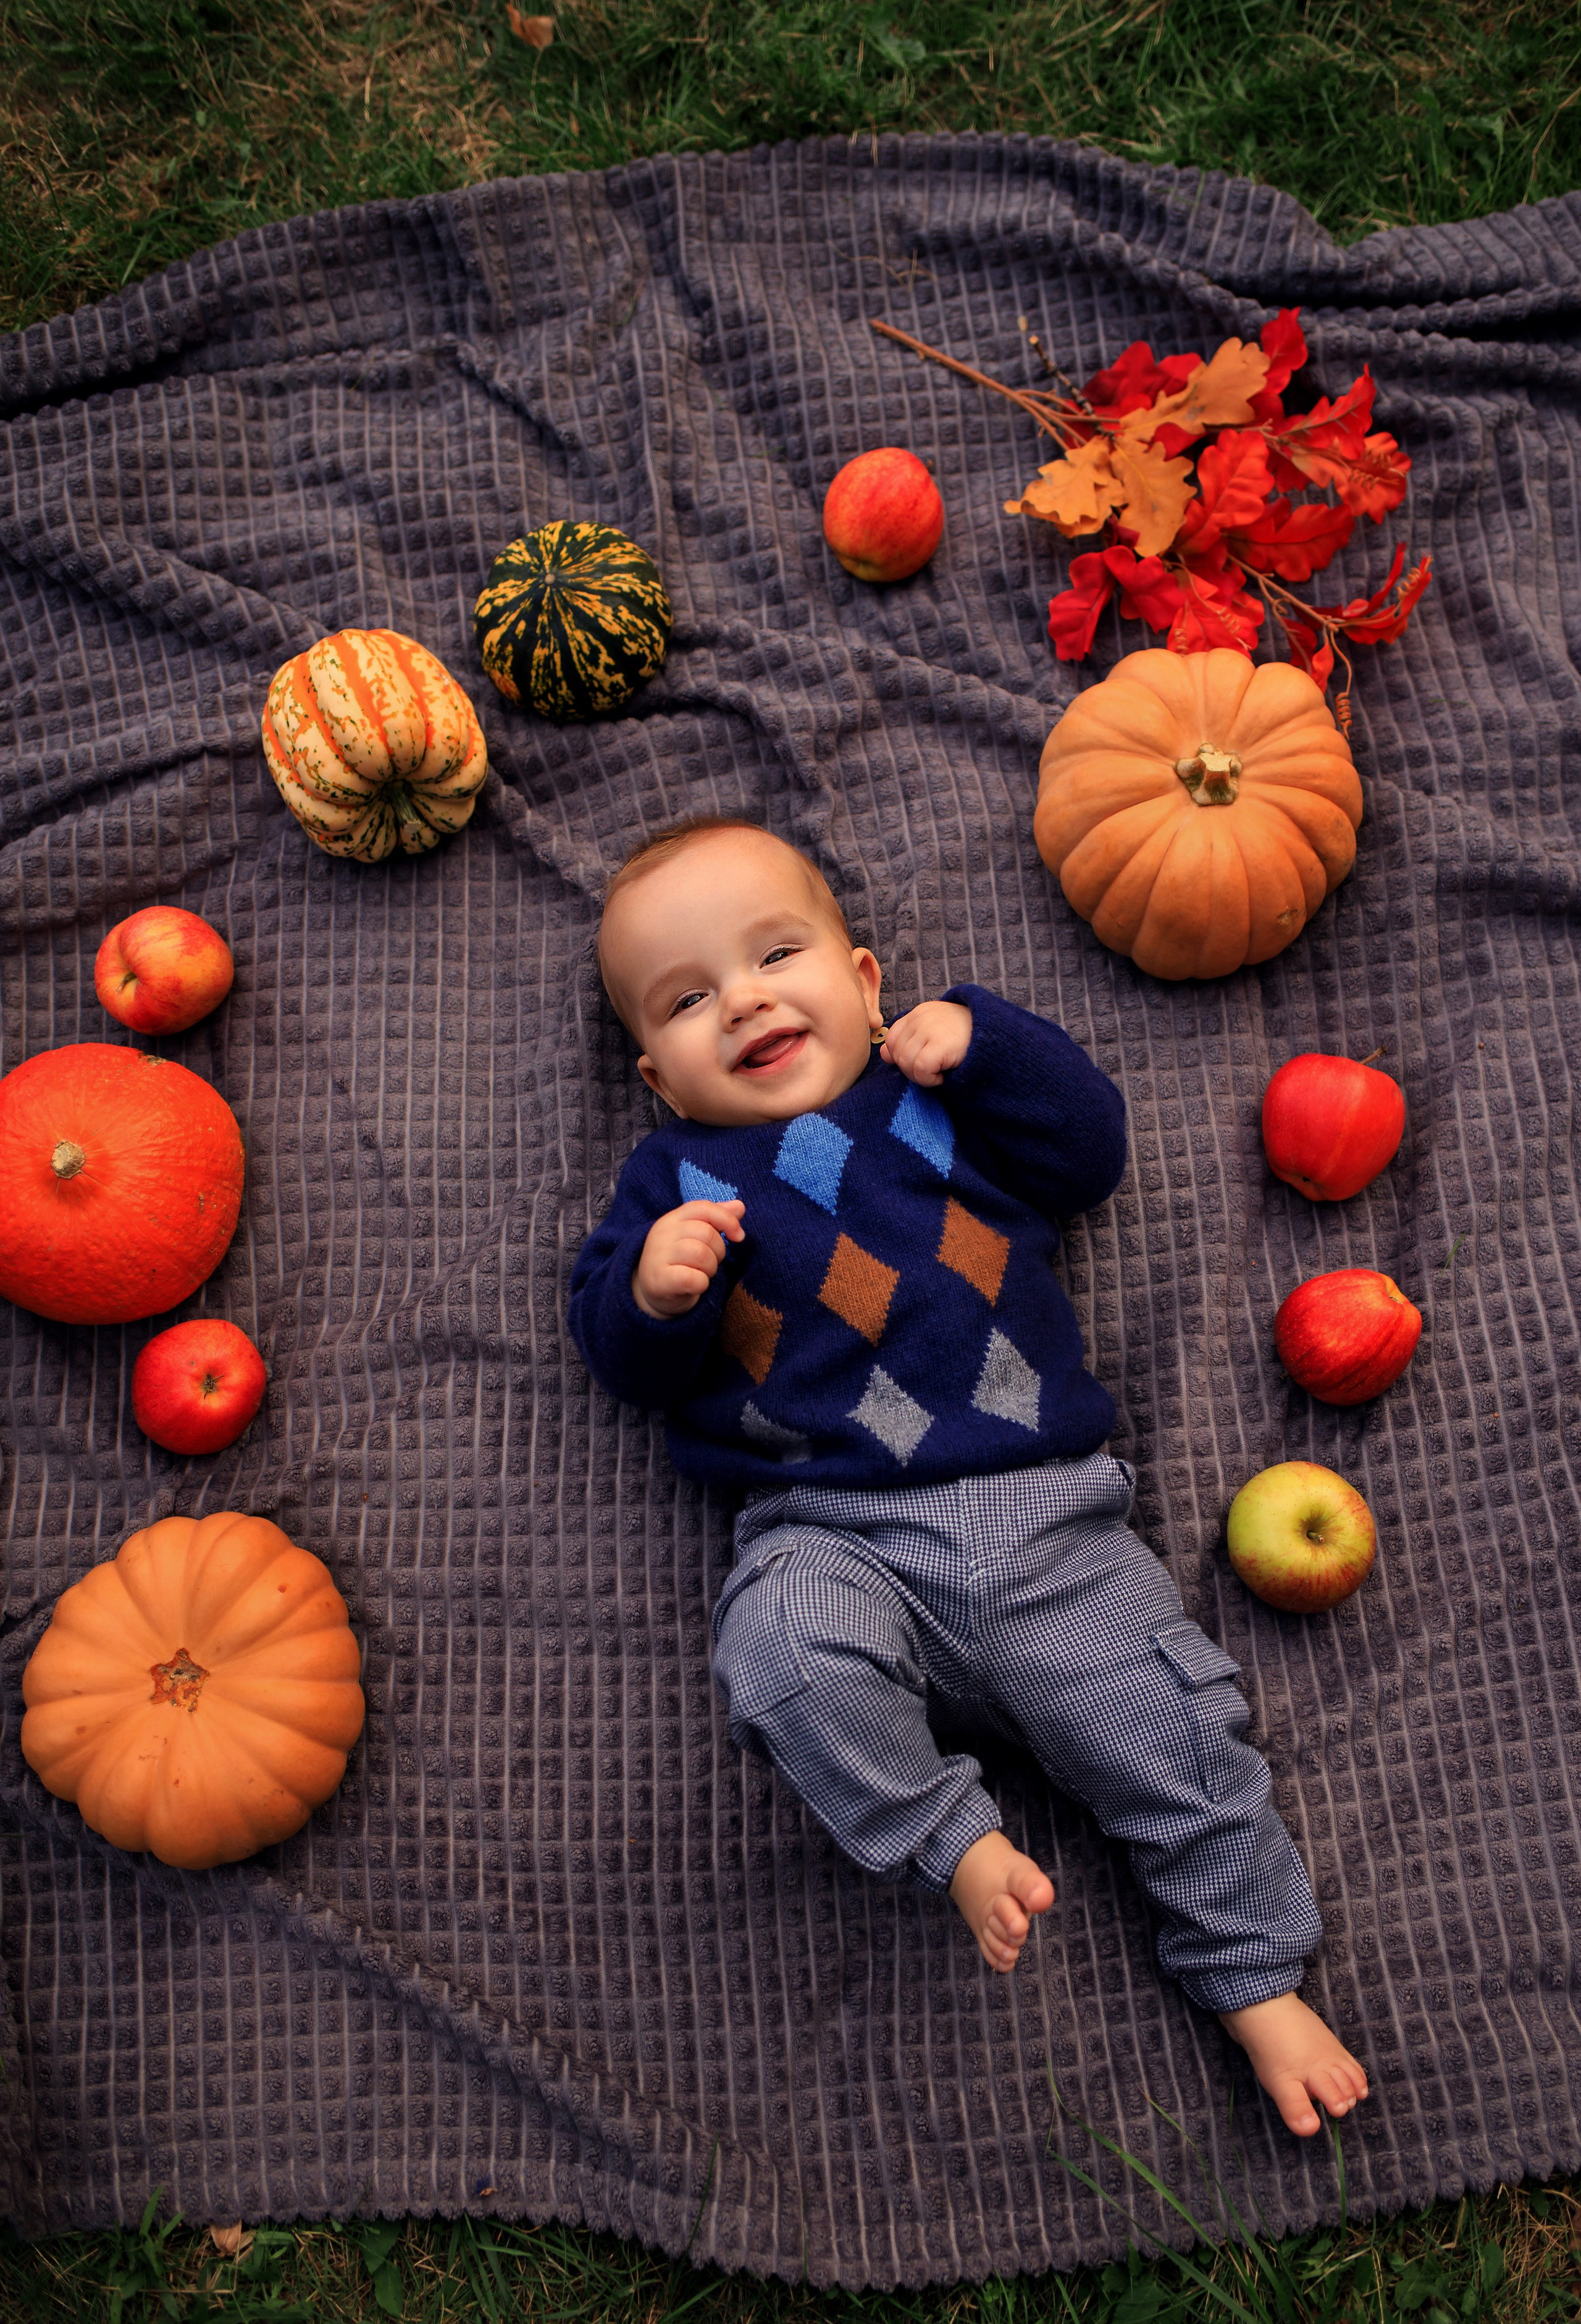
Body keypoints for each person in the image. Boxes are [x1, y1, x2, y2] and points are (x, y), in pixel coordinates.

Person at [569, 816, 1368, 2138]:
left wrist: (988, 1045)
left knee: (1172, 1738)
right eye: (690, 1000)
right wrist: (652, 1292)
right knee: (779, 1657)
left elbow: (1087, 1156)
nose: (747, 1001)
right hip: (826, 1530)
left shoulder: (932, 1094)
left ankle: (1253, 1979)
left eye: (777, 956)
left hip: (1040, 1517)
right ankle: (953, 1839)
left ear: (869, 981)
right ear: (657, 1076)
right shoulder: (674, 1179)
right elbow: (620, 1358)